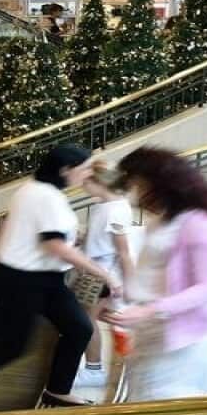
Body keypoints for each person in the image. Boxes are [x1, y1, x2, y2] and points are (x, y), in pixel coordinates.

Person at [0, 146, 122, 409]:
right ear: (66, 170)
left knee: (79, 328)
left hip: (45, 279)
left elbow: (16, 227)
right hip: (23, 280)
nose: (88, 174)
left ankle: (57, 390)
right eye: (85, 168)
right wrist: (104, 274)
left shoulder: (33, 189)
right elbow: (54, 245)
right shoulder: (46, 196)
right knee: (13, 345)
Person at [104, 147, 207, 415]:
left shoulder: (201, 224)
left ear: (162, 182)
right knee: (140, 393)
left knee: (162, 394)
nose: (135, 193)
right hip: (153, 323)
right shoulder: (168, 217)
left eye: (138, 184)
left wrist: (149, 309)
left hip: (182, 328)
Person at [75, 162, 134, 388]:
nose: (82, 186)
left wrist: (129, 283)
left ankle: (94, 369)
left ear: (99, 182)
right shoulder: (104, 206)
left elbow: (124, 252)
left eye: (86, 182)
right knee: (92, 318)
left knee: (87, 321)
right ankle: (96, 368)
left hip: (101, 273)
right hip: (93, 270)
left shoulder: (117, 209)